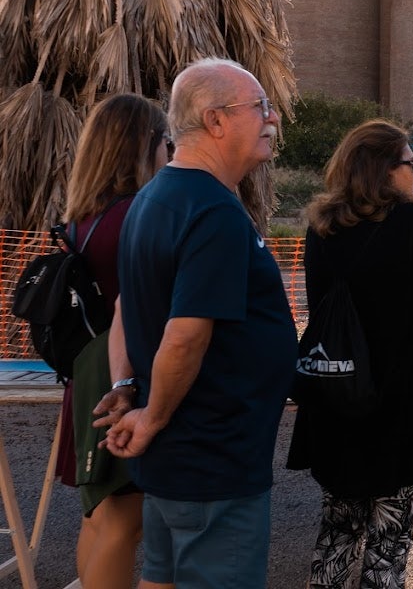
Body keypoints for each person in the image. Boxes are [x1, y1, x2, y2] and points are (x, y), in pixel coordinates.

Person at [105, 58, 297, 589]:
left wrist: (127, 386)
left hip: (180, 460)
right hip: (212, 461)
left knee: (161, 579)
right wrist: (152, 417)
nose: (272, 118)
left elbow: (123, 308)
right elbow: (186, 335)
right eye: (259, 106)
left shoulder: (154, 197)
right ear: (215, 120)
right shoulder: (211, 211)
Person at [287, 121, 413, 588]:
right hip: (399, 401)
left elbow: (321, 308)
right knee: (389, 540)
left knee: (338, 528)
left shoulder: (322, 226)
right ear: (383, 169)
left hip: (336, 394)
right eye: (411, 163)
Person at [50, 94, 170, 589]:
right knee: (124, 522)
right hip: (121, 377)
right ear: (143, 145)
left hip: (88, 374)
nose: (170, 152)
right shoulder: (137, 216)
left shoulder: (85, 216)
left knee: (99, 517)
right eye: (166, 141)